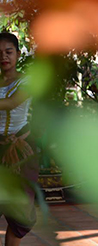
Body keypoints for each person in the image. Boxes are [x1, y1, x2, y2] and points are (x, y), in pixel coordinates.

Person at [0, 32, 37, 246]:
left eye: (8, 51)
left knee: (18, 217)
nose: (3, 56)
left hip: (19, 152)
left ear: (18, 54)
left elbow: (12, 102)